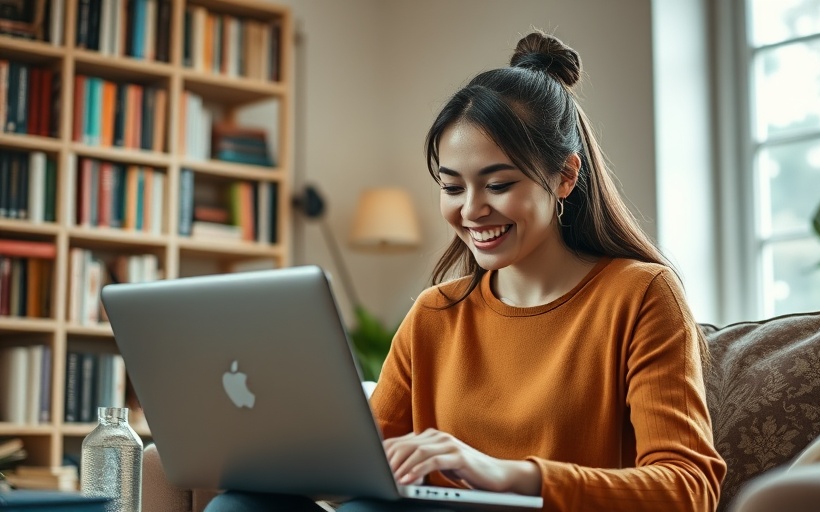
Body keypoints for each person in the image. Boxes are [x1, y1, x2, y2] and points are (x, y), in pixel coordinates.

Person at [206, 30, 726, 512]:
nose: (472, 210)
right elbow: (361, 468)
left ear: (565, 176)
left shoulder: (640, 294)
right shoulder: (435, 313)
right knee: (241, 503)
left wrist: (506, 474)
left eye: (497, 184)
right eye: (452, 187)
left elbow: (689, 486)